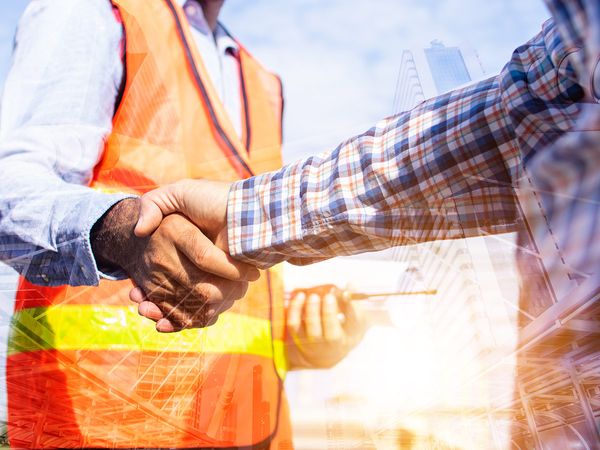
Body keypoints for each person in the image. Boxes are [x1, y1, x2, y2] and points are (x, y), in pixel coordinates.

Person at [132, 1, 600, 446]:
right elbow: (520, 123)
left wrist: (293, 333)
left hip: (244, 425)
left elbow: (516, 129)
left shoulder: (261, 83)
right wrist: (243, 220)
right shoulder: (108, 17)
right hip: (106, 416)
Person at [0, 0, 364, 448]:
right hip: (103, 425)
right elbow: (9, 191)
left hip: (250, 427)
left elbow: (236, 298)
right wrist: (127, 232)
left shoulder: (262, 83)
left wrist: (303, 339)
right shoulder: (96, 12)